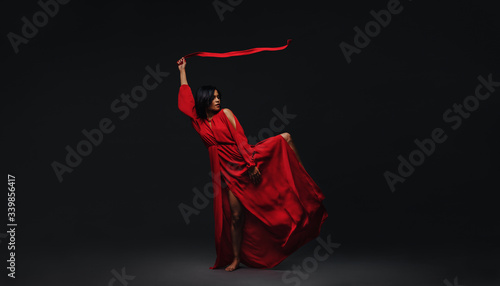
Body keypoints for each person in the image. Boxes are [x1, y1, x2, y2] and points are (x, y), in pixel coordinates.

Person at [177, 57, 328, 272]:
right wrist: (182, 70)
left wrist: (250, 164)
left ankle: (303, 181)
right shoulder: (198, 121)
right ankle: (237, 259)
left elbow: (240, 139)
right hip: (228, 172)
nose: (218, 100)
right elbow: (185, 101)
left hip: (245, 160)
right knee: (237, 217)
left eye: (219, 97)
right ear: (204, 101)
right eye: (214, 98)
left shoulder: (226, 113)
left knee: (284, 137)